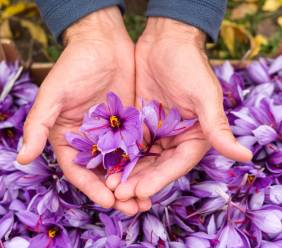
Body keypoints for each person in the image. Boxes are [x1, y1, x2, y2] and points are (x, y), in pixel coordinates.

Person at [17, 0, 252, 216]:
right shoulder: (117, 125)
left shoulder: (125, 119)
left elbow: (126, 120)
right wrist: (89, 25)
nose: (113, 122)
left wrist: (180, 26)